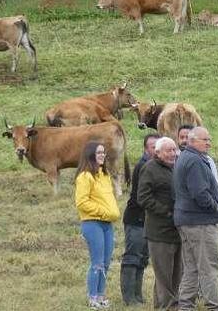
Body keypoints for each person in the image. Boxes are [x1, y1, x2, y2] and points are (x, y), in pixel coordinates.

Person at [173, 126, 218, 311]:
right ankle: (214, 307)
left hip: (187, 221)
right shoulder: (194, 160)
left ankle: (185, 306)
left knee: (192, 267)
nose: (208, 143)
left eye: (209, 139)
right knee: (208, 267)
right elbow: (200, 193)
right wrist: (215, 206)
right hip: (199, 222)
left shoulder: (186, 157)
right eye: (205, 140)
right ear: (192, 141)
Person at [75, 142, 121, 310]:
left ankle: (101, 296)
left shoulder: (104, 175)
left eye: (103, 152)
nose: (102, 155)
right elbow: (81, 202)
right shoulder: (85, 176)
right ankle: (92, 297)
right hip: (92, 223)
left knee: (106, 262)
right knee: (97, 262)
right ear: (90, 155)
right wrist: (102, 212)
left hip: (107, 224)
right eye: (98, 152)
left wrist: (111, 212)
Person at [138, 137, 182, 310]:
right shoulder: (149, 169)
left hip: (176, 230)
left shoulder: (176, 168)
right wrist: (166, 211)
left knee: (175, 274)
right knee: (163, 275)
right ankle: (170, 307)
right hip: (159, 232)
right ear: (157, 153)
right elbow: (143, 197)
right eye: (168, 151)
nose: (172, 154)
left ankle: (162, 306)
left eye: (174, 150)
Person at [120, 133, 160, 305]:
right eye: (153, 147)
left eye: (158, 147)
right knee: (133, 257)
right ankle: (129, 297)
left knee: (142, 258)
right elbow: (143, 197)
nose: (156, 150)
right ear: (146, 149)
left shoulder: (153, 165)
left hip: (145, 220)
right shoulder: (144, 166)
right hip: (136, 219)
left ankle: (138, 296)